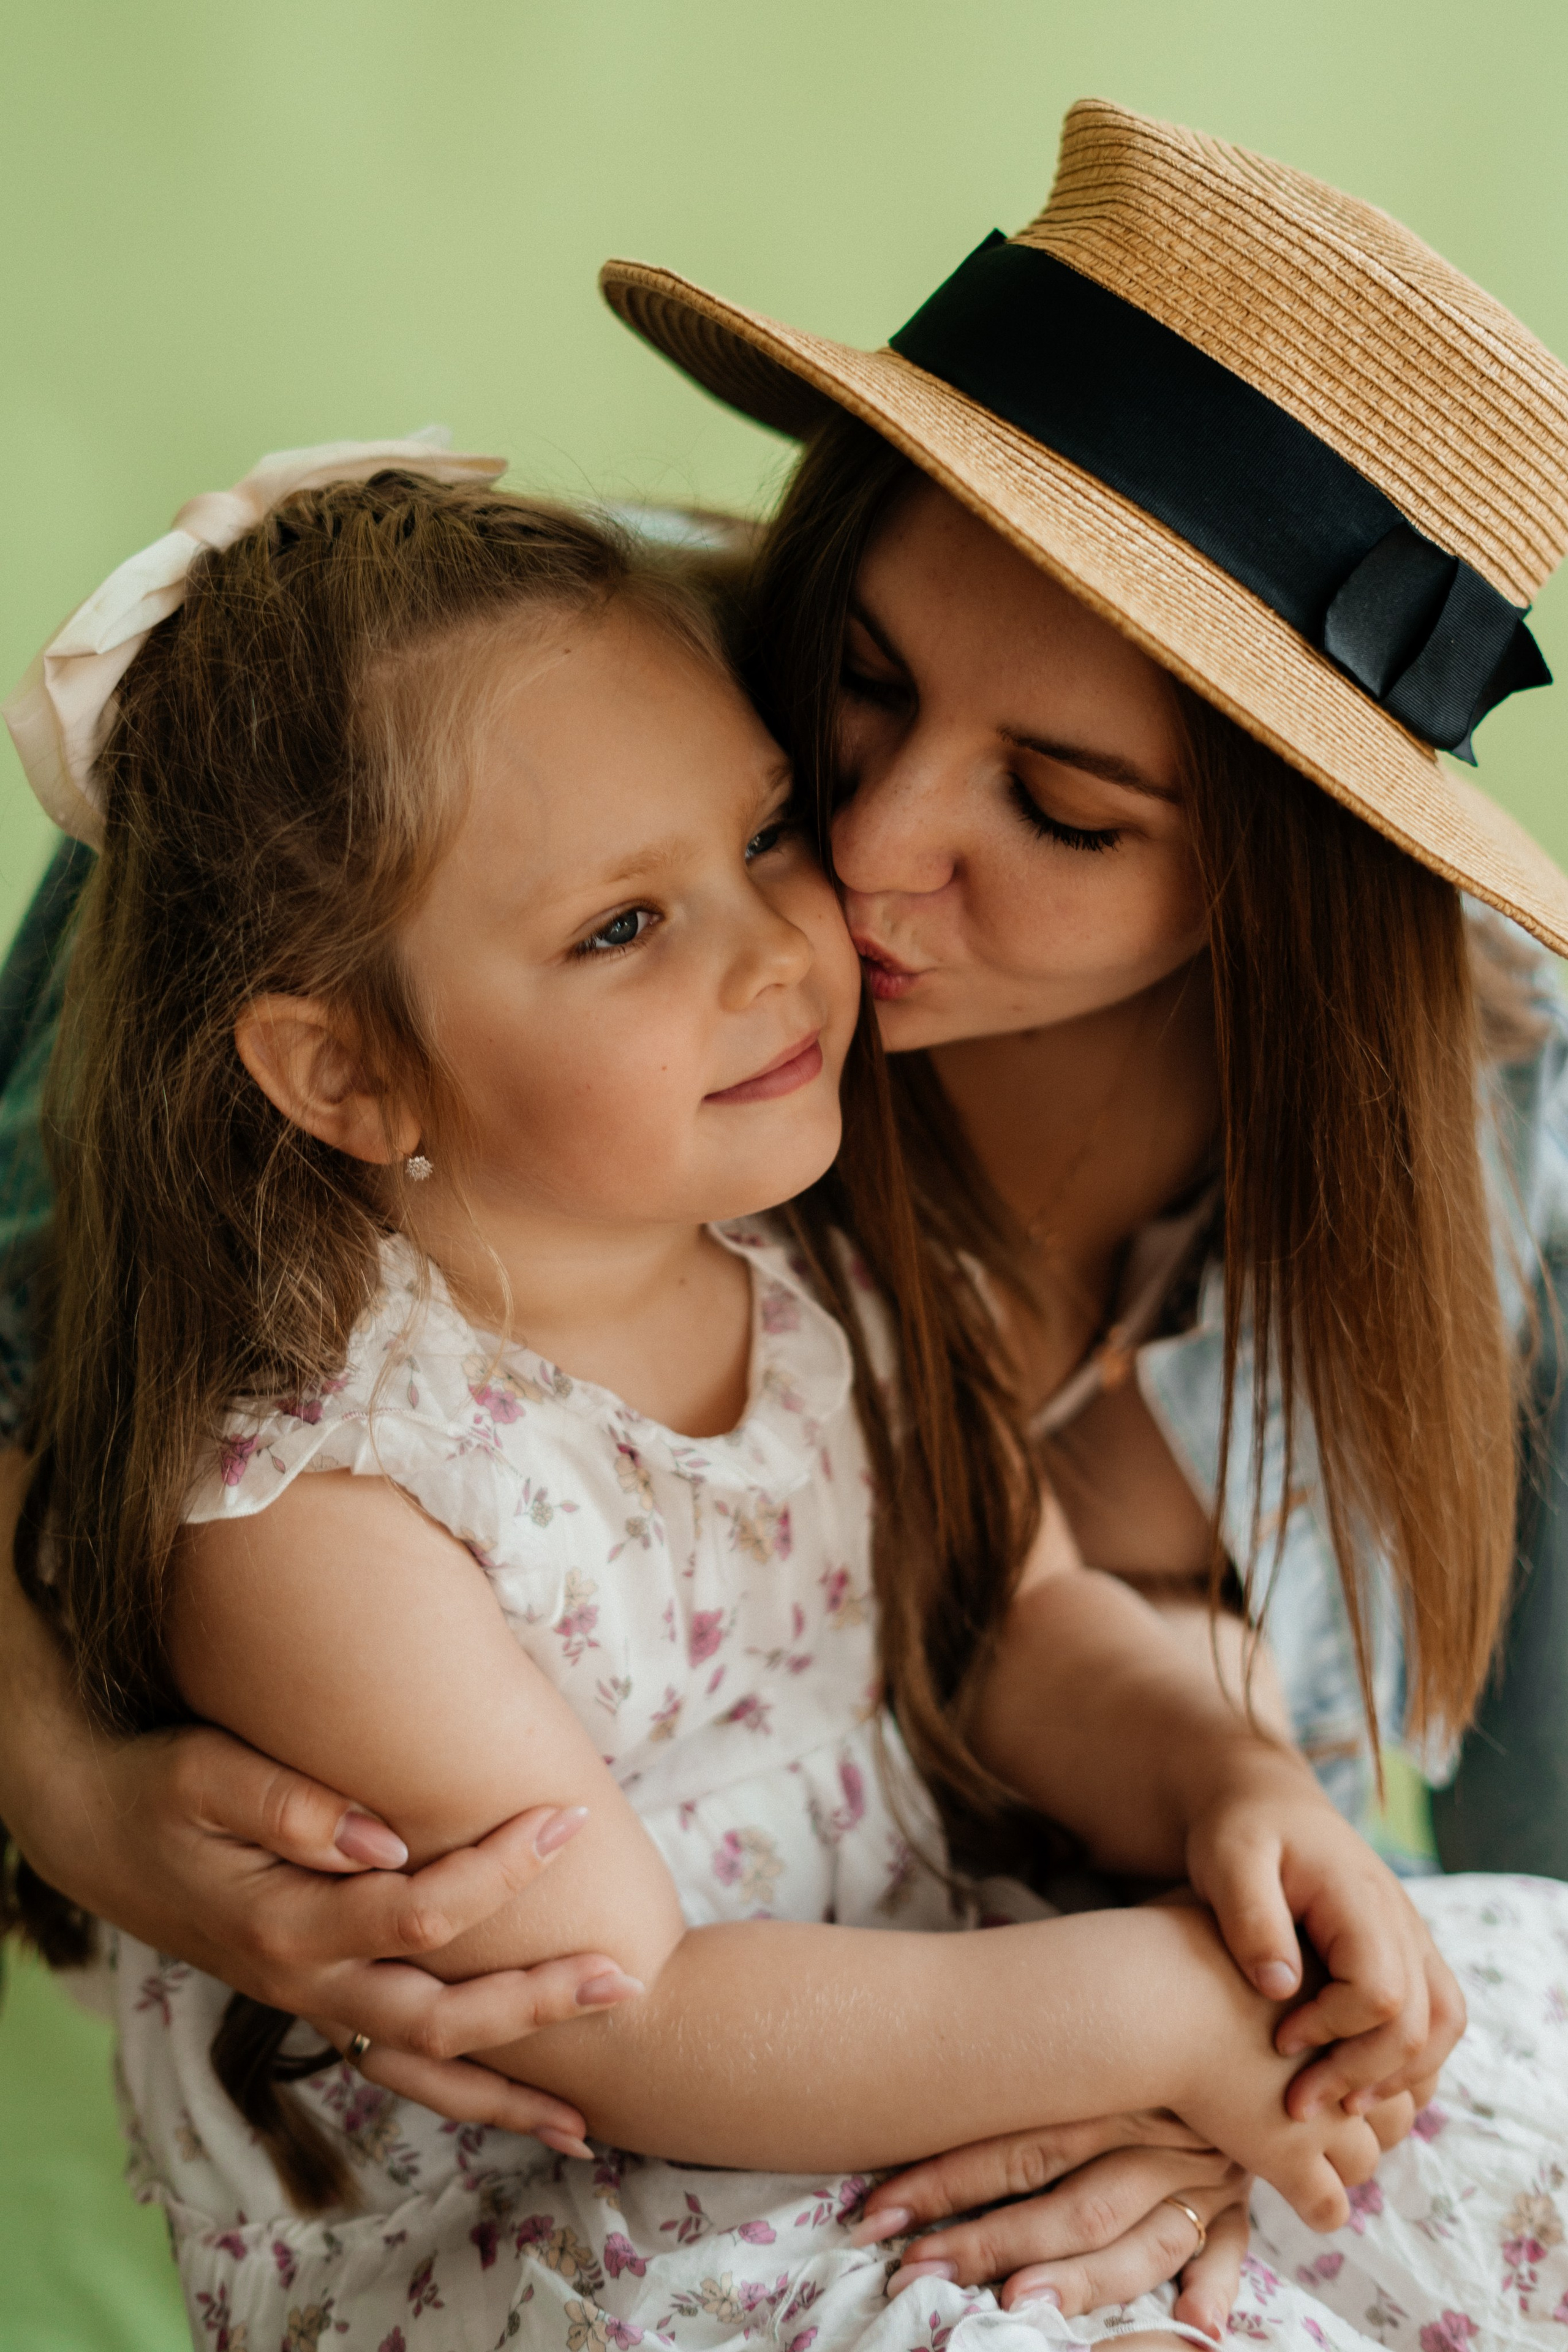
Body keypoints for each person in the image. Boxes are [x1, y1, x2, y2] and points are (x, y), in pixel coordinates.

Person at [3, 431, 1555, 2352]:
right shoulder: (328, 1503)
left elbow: (1013, 1607)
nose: (813, 923)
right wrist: (1151, 2008)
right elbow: (619, 2014)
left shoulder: (808, 1264)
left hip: (924, 2006)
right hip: (598, 2189)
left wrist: (1227, 1777)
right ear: (342, 1078)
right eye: (625, 927)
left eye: (758, 841)